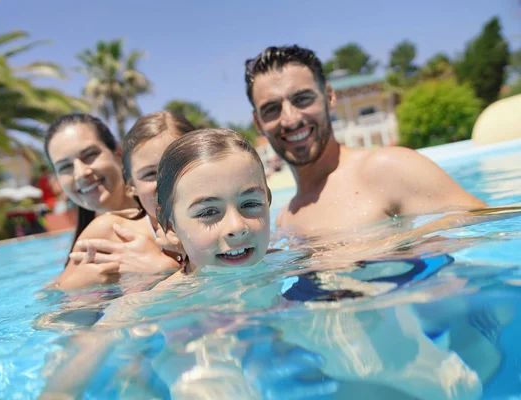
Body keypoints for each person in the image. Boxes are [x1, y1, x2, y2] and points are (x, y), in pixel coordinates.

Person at [39, 129, 483, 400]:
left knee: (418, 362)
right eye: (208, 212)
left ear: (270, 205)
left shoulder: (290, 260)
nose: (236, 227)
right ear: (170, 227)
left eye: (250, 204)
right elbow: (72, 372)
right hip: (198, 340)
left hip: (281, 321)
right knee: (201, 379)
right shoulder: (156, 301)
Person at [244, 45, 487, 234]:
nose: (290, 119)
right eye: (272, 109)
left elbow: (487, 222)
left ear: (329, 97)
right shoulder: (284, 217)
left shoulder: (388, 167)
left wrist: (387, 247)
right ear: (258, 123)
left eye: (303, 99)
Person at [44, 113, 181, 289]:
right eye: (65, 167)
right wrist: (75, 286)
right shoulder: (94, 240)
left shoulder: (171, 210)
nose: (80, 172)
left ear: (118, 153)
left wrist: (167, 269)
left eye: (90, 155)